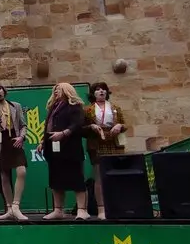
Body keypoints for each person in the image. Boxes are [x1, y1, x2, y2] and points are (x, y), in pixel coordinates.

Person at [36, 82, 89, 220]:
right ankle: (58, 210)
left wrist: (64, 133)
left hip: (70, 148)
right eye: (54, 89)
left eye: (59, 89)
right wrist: (43, 141)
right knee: (56, 179)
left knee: (77, 178)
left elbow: (77, 124)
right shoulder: (52, 108)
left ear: (67, 90)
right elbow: (48, 126)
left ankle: (82, 210)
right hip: (53, 149)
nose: (55, 91)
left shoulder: (75, 106)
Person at [0, 83, 30, 221]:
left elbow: (23, 125)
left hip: (14, 139)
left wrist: (22, 137)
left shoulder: (15, 105)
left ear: (4, 91)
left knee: (21, 171)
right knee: (4, 176)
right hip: (0, 142)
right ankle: (9, 209)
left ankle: (16, 206)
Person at [84, 82, 129, 220]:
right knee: (99, 176)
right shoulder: (88, 110)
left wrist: (120, 126)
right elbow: (82, 129)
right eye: (98, 90)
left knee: (117, 175)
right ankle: (101, 210)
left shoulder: (116, 108)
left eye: (104, 89)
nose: (101, 91)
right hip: (97, 143)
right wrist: (91, 126)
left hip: (114, 142)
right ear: (93, 94)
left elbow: (125, 124)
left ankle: (119, 206)